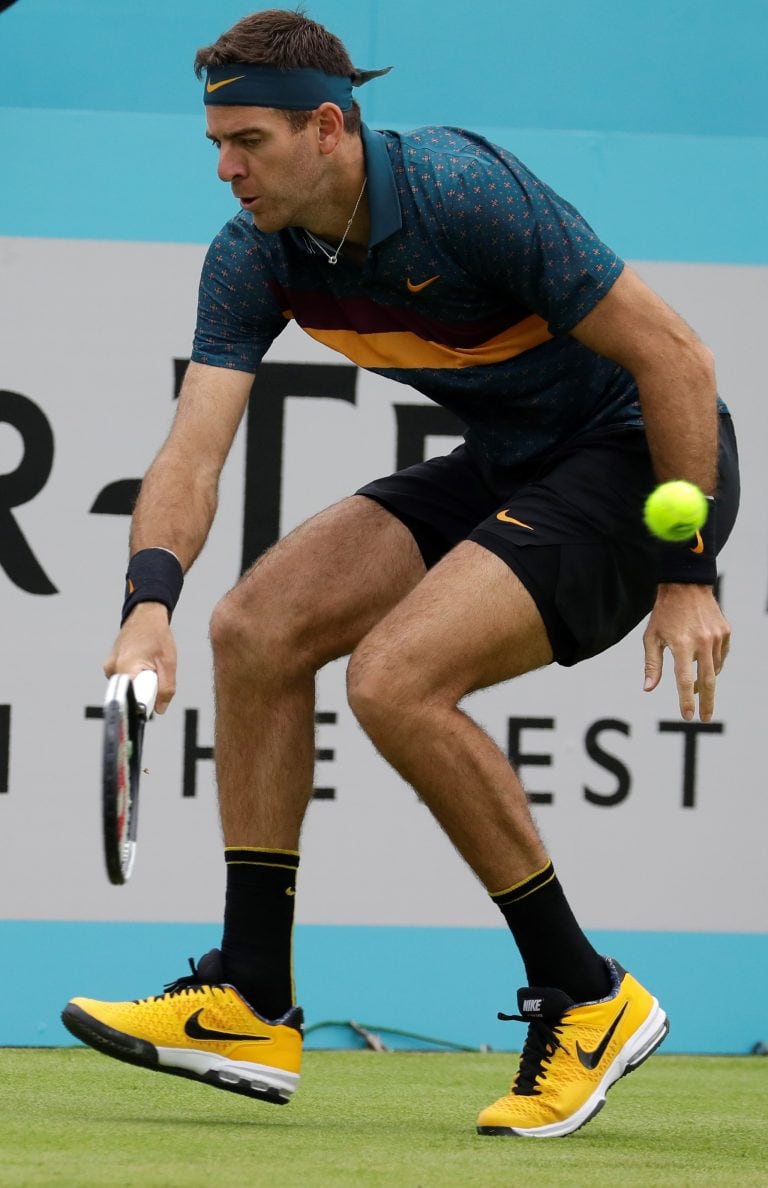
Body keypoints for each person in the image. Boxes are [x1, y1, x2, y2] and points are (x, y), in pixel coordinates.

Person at [62, 8, 739, 1138]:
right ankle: (249, 995)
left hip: (639, 459)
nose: (227, 170)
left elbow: (678, 356)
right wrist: (145, 607)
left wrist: (689, 569)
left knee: (395, 679)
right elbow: (192, 448)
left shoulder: (461, 193)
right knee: (254, 628)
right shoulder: (254, 253)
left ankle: (587, 994)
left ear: (327, 128)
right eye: (215, 146)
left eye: (251, 143)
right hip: (512, 456)